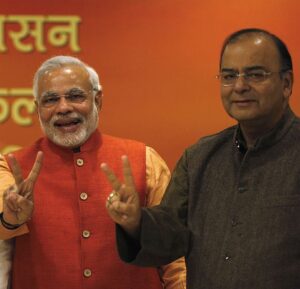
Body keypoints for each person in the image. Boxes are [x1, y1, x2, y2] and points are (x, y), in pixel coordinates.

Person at [101, 28, 300, 289]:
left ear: (286, 83)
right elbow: (171, 234)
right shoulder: (200, 157)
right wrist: (136, 222)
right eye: (229, 76)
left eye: (255, 74)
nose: (240, 86)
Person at [0, 56, 186, 289]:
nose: (64, 108)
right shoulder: (9, 167)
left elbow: (175, 257)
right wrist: (8, 220)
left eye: (76, 96)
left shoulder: (145, 160)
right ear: (37, 109)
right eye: (50, 100)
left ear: (98, 100)